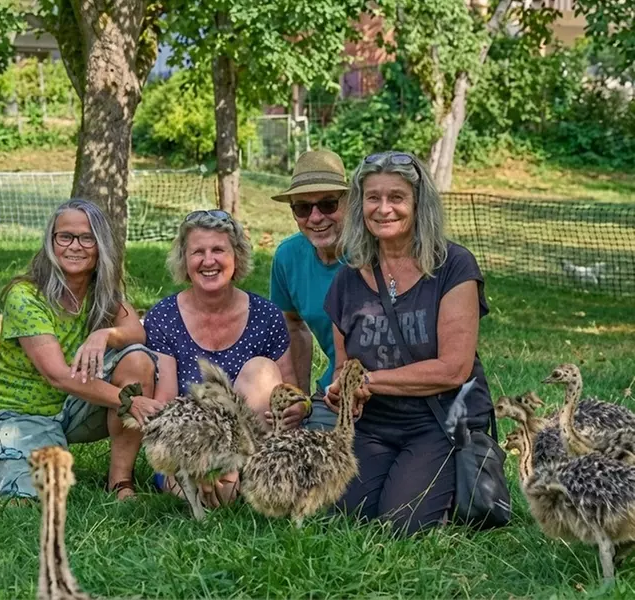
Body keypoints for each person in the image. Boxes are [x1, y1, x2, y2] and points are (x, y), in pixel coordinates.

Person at [323, 151, 497, 535]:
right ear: (359, 205)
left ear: (419, 204)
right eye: (373, 198)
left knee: (402, 524)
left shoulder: (453, 266)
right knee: (343, 515)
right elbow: (342, 365)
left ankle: (449, 481)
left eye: (396, 197)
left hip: (435, 420)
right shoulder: (347, 280)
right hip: (371, 424)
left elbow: (454, 369)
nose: (383, 209)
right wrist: (342, 391)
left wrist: (368, 382)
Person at [0, 199, 163, 501]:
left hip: (76, 407)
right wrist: (132, 403)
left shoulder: (99, 290)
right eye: (65, 236)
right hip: (20, 415)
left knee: (137, 358)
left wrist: (104, 334)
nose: (75, 246)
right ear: (51, 242)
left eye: (86, 238)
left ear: (100, 245)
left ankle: (120, 483)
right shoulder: (25, 295)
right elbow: (58, 376)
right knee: (36, 495)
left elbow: (136, 331)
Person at [143, 210, 294, 506]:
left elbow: (289, 395)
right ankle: (215, 489)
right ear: (184, 261)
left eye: (218, 250)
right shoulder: (163, 317)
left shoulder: (267, 316)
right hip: (190, 449)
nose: (208, 260)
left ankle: (238, 482)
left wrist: (295, 409)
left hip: (251, 448)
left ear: (236, 257)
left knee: (261, 370)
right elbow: (165, 405)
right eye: (198, 252)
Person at [269, 149, 350, 432]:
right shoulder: (288, 256)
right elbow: (292, 323)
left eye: (328, 204)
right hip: (335, 392)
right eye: (302, 208)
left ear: (349, 202)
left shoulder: (372, 252)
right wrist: (299, 397)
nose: (315, 217)